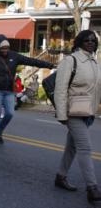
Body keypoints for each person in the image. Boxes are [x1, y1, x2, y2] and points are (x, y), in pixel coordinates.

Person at [0, 34, 54, 148]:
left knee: (10, 113)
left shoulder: (14, 55)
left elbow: (30, 61)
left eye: (7, 48)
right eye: (2, 48)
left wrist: (48, 65)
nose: (5, 50)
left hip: (8, 90)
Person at [54, 30, 101, 203]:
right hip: (73, 111)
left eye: (93, 40)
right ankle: (92, 188)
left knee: (72, 147)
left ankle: (60, 177)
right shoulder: (70, 60)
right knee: (85, 147)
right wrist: (61, 114)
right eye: (87, 40)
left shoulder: (94, 62)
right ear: (80, 41)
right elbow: (60, 89)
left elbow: (97, 88)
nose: (90, 42)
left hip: (88, 112)